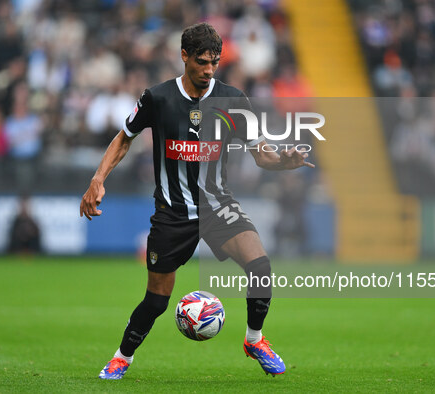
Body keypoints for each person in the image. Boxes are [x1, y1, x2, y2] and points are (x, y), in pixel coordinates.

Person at [80, 22, 314, 380]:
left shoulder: (234, 100)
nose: (208, 70)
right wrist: (98, 179)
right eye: (202, 62)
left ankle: (255, 340)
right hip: (173, 213)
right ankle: (122, 357)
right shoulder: (157, 98)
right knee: (157, 300)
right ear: (184, 56)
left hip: (218, 206)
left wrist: (285, 159)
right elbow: (124, 137)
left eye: (214, 62)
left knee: (261, 268)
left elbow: (261, 154)